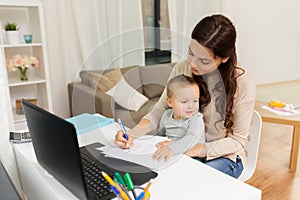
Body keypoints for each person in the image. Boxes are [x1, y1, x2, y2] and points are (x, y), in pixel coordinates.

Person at [115, 14, 256, 179]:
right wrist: (132, 134)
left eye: (204, 61)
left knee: (187, 179)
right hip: (182, 148)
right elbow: (158, 111)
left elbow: (237, 141)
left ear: (224, 59)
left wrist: (190, 150)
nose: (192, 63)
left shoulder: (243, 84)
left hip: (223, 157)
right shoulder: (183, 68)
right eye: (191, 53)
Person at [153, 74, 205, 162]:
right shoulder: (167, 115)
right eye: (184, 102)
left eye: (195, 100)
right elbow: (160, 135)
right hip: (171, 153)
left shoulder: (196, 119)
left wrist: (171, 149)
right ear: (170, 102)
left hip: (193, 156)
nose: (191, 106)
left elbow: (191, 139)